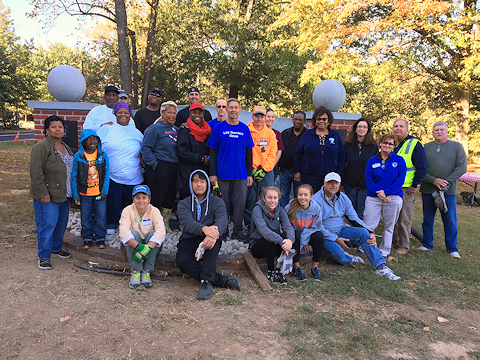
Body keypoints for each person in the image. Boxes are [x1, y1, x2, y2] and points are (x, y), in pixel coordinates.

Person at [312, 172, 401, 280]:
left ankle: (380, 266)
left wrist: (369, 232)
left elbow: (354, 218)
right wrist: (335, 238)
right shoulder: (315, 200)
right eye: (330, 182)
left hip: (342, 230)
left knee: (364, 234)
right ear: (324, 183)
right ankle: (349, 258)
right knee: (339, 255)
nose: (333, 185)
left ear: (339, 184)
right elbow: (316, 225)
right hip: (324, 235)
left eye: (336, 183)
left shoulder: (343, 198)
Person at [176, 170, 241, 300]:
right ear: (190, 183)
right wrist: (205, 229)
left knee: (213, 243)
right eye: (195, 181)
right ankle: (221, 280)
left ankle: (205, 282)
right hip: (190, 238)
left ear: (207, 183)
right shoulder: (183, 204)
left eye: (202, 181)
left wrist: (212, 234)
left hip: (211, 238)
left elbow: (223, 219)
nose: (199, 184)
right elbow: (187, 223)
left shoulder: (217, 201)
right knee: (182, 260)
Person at [30, 115, 74, 270]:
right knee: (47, 225)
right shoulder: (42, 147)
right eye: (54, 127)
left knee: (61, 224)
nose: (58, 129)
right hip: (48, 195)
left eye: (60, 126)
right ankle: (44, 256)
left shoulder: (64, 146)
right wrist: (43, 193)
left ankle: (56, 247)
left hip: (64, 193)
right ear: (47, 129)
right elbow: (36, 172)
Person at [419, 121, 467, 259]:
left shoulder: (456, 147)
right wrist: (433, 180)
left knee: (450, 220)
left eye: (441, 129)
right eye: (436, 130)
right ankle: (427, 244)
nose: (439, 132)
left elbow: (462, 167)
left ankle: (452, 248)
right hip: (429, 189)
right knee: (427, 218)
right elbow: (420, 167)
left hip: (448, 191)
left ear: (447, 131)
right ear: (432, 132)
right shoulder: (425, 147)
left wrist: (447, 181)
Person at [208, 98, 254, 241]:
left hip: (240, 174)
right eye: (231, 107)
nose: (233, 110)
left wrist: (249, 174)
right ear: (226, 110)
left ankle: (238, 231)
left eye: (236, 107)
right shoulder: (218, 128)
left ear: (240, 110)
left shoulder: (245, 129)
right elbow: (213, 153)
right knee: (223, 203)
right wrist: (213, 174)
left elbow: (249, 153)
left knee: (240, 204)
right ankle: (223, 230)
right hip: (222, 173)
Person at [97, 103, 144, 235]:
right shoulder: (106, 129)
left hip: (133, 174)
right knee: (113, 200)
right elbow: (94, 142)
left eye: (126, 112)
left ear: (130, 115)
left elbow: (144, 150)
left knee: (133, 202)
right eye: (120, 112)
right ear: (115, 114)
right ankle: (112, 222)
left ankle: (132, 224)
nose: (123, 115)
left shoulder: (136, 132)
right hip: (113, 174)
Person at [363, 133, 406, 258]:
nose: (387, 145)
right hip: (374, 197)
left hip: (393, 197)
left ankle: (384, 251)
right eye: (384, 142)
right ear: (380, 143)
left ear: (394, 146)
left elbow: (400, 181)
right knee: (368, 224)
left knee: (389, 226)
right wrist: (380, 193)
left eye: (390, 143)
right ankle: (364, 247)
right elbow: (368, 180)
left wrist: (386, 193)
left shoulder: (399, 160)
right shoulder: (372, 160)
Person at [141, 101, 179, 233]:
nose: (172, 115)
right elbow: (146, 148)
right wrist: (154, 164)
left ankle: (165, 225)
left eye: (174, 113)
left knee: (169, 197)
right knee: (157, 196)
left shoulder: (176, 129)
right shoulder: (154, 128)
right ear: (162, 113)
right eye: (169, 112)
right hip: (159, 166)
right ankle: (152, 226)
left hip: (173, 167)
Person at [392, 118, 428, 254]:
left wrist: (415, 184)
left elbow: (422, 167)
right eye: (395, 126)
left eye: (401, 126)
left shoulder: (414, 144)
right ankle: (395, 243)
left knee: (404, 219)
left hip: (407, 188)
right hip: (394, 188)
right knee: (394, 218)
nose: (398, 128)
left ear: (407, 129)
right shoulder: (395, 145)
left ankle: (404, 246)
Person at [119, 185, 165, 289]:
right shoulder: (127, 210)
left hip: (151, 246)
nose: (141, 201)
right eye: (137, 198)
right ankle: (135, 272)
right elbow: (123, 232)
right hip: (132, 246)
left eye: (144, 197)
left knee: (153, 233)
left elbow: (161, 231)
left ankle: (146, 271)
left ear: (149, 199)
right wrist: (140, 248)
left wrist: (146, 248)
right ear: (133, 199)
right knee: (133, 233)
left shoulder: (154, 211)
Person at [71, 129, 110, 249]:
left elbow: (107, 174)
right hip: (85, 194)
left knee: (100, 215)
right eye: (88, 139)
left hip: (99, 194)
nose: (92, 141)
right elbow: (74, 176)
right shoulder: (79, 156)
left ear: (98, 140)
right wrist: (76, 195)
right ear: (83, 142)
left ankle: (100, 237)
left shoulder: (102, 155)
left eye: (94, 138)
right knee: (86, 216)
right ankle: (87, 237)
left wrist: (104, 191)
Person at [249, 186, 295, 285]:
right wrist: (280, 240)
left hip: (274, 245)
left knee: (293, 235)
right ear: (264, 198)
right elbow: (264, 231)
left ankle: (281, 271)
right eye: (269, 198)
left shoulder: (280, 210)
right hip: (258, 245)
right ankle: (271, 272)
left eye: (275, 198)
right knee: (271, 239)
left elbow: (288, 226)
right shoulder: (257, 209)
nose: (272, 201)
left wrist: (290, 240)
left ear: (278, 199)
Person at [294, 106, 345, 193]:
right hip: (309, 176)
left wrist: (338, 172)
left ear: (328, 120)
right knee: (310, 200)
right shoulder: (308, 134)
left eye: (324, 119)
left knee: (326, 201)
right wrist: (297, 171)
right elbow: (298, 154)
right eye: (319, 119)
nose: (321, 121)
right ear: (315, 120)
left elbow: (341, 155)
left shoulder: (335, 135)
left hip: (330, 177)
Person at [244, 106, 278, 235]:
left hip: (266, 172)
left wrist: (264, 169)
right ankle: (249, 226)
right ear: (252, 117)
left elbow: (272, 153)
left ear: (265, 118)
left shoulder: (270, 133)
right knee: (250, 199)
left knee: (269, 199)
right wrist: (250, 170)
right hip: (250, 172)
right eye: (257, 116)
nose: (259, 119)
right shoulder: (247, 131)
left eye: (262, 116)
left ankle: (268, 225)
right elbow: (244, 152)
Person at [285, 184, 325, 281]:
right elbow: (286, 226)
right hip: (294, 236)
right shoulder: (289, 208)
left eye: (306, 195)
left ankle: (315, 267)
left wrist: (305, 241)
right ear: (296, 195)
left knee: (319, 236)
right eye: (300, 195)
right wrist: (302, 241)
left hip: (308, 235)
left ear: (311, 196)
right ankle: (296, 267)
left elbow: (315, 227)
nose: (302, 197)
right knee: (296, 234)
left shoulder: (316, 208)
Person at [342, 118, 378, 219]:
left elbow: (375, 166)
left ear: (368, 130)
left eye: (364, 127)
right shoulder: (348, 145)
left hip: (365, 184)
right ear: (355, 129)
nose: (361, 129)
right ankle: (352, 232)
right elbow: (343, 162)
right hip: (350, 183)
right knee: (350, 210)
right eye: (359, 126)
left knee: (362, 211)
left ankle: (361, 232)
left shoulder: (373, 146)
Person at [177, 103, 211, 199]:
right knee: (187, 199)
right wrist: (200, 158)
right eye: (194, 113)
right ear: (189, 114)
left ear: (203, 115)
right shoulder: (185, 130)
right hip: (187, 171)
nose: (197, 115)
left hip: (203, 170)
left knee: (203, 198)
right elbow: (182, 152)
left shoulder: (208, 131)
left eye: (200, 113)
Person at [279, 110, 306, 208]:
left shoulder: (308, 135)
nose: (297, 121)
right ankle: (283, 217)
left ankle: (295, 217)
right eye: (295, 119)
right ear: (292, 120)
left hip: (300, 172)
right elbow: (279, 151)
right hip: (285, 171)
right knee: (283, 196)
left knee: (298, 196)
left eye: (300, 120)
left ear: (304, 121)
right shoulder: (285, 133)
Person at [265, 108, 284, 178]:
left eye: (272, 117)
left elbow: (279, 150)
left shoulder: (277, 133)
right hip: (258, 167)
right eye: (268, 116)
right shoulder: (258, 132)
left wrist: (272, 165)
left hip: (272, 167)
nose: (271, 119)